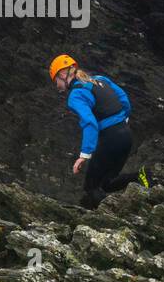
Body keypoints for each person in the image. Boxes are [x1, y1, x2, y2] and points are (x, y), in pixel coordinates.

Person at [49, 54, 144, 209]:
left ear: (62, 74)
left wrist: (84, 155)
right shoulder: (100, 79)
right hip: (126, 135)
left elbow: (90, 123)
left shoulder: (75, 95)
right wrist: (122, 120)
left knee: (91, 187)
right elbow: (124, 99)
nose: (57, 86)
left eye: (56, 81)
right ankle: (141, 176)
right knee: (107, 183)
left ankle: (105, 218)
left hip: (111, 139)